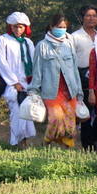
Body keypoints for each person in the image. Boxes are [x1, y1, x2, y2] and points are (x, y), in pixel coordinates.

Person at [29, 14, 83, 148]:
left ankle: (67, 150)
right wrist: (33, 90)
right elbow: (37, 71)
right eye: (59, 27)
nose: (62, 30)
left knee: (70, 123)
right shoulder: (42, 46)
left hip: (70, 90)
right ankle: (46, 141)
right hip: (51, 91)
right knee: (56, 118)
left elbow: (75, 70)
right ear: (52, 27)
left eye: (64, 27)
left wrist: (80, 93)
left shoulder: (69, 44)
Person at [0, 12, 37, 148]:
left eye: (21, 27)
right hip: (12, 84)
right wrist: (14, 82)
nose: (18, 30)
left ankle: (19, 142)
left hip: (27, 83)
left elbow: (34, 62)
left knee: (27, 112)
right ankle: (18, 142)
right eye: (15, 27)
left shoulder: (28, 43)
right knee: (17, 111)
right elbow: (2, 62)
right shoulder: (3, 40)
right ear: (10, 27)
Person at [71, 4, 97, 150]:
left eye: (94, 15)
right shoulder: (75, 37)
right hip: (82, 77)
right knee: (86, 113)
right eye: (88, 15)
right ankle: (88, 146)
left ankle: (94, 138)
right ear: (81, 18)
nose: (91, 18)